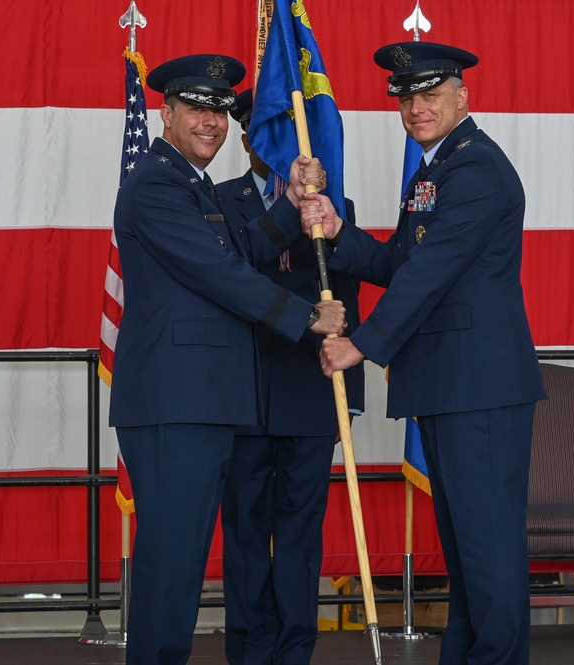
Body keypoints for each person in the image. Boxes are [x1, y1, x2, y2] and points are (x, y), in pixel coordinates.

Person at [305, 42, 547, 665]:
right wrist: (339, 232)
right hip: (451, 384)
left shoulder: (476, 169)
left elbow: (432, 272)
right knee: (468, 551)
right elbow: (401, 262)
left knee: (487, 548)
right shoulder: (437, 170)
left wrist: (362, 343)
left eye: (430, 94)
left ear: (463, 96)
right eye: (407, 97)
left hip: (480, 388)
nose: (417, 107)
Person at [109, 54, 342, 665]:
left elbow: (243, 250)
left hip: (200, 403)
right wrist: (307, 318)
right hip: (174, 402)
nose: (211, 122)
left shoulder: (191, 183)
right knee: (173, 560)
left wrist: (292, 203)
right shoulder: (157, 182)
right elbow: (217, 274)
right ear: (166, 112)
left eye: (218, 110)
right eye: (197, 108)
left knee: (181, 559)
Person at [216, 89, 365, 665]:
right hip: (245, 393)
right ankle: (250, 651)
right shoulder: (220, 202)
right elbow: (234, 278)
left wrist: (345, 403)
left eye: (281, 133)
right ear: (247, 137)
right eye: (259, 133)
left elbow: (345, 303)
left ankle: (294, 651)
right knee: (246, 535)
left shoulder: (332, 204)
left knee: (301, 539)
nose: (268, 144)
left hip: (310, 393)